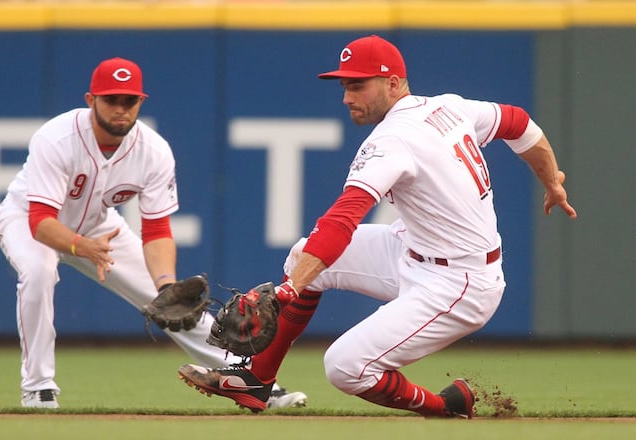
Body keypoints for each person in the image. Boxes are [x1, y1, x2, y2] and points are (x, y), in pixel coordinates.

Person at [178, 35, 577, 417]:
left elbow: (342, 220)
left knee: (344, 367)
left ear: (392, 82)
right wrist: (551, 180)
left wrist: (287, 290)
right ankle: (255, 379)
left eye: (358, 86)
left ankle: (448, 406)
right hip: (413, 249)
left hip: (460, 283)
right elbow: (519, 123)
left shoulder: (392, 140)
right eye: (345, 86)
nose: (347, 97)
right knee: (305, 253)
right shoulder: (447, 107)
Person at [0, 57, 307, 409]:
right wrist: (83, 247)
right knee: (39, 274)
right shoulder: (57, 138)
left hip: (100, 228)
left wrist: (164, 285)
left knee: (176, 306)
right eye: (111, 99)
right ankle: (38, 388)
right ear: (90, 100)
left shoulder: (153, 151)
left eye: (129, 101)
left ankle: (254, 382)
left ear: (141, 102)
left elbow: (157, 229)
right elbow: (40, 220)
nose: (120, 109)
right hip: (28, 221)